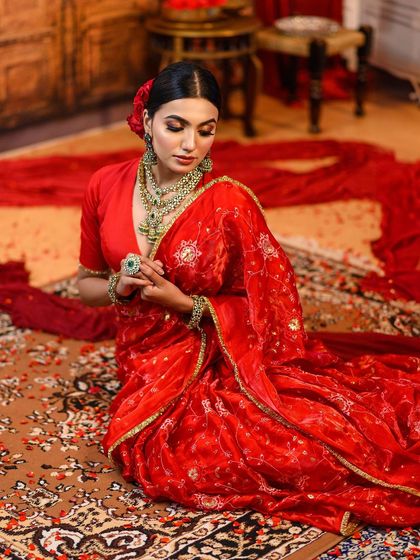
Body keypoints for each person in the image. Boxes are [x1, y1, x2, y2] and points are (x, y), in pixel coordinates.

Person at [77, 61, 419, 536]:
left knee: (284, 450)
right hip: (144, 354)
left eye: (205, 129)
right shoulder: (105, 185)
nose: (189, 144)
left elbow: (272, 303)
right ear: (146, 119)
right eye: (174, 126)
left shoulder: (228, 202)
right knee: (156, 454)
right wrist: (121, 286)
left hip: (217, 351)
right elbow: (87, 285)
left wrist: (188, 305)